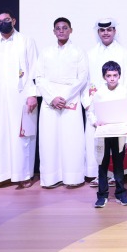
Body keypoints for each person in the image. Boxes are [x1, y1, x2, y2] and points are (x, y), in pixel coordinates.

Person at [0, 10, 40, 189]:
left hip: (21, 97)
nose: (2, 23)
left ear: (13, 20)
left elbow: (34, 68)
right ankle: (1, 175)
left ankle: (23, 176)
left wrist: (32, 94)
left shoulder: (26, 41)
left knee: (22, 136)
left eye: (6, 20)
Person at [34, 17, 89, 189]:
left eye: (65, 28)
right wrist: (52, 98)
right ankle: (51, 178)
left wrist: (64, 97)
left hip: (70, 100)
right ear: (53, 31)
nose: (61, 31)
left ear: (71, 30)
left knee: (72, 140)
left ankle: (72, 177)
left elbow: (82, 78)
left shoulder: (79, 52)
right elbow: (39, 77)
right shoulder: (46, 52)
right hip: (50, 101)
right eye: (58, 28)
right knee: (49, 139)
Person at [84, 18, 127, 186]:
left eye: (109, 29)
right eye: (102, 30)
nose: (105, 32)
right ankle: (99, 174)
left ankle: (117, 175)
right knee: (97, 140)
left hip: (118, 104)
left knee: (118, 141)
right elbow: (85, 81)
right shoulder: (90, 54)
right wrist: (87, 101)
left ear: (114, 31)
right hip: (96, 104)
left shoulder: (124, 53)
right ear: (98, 32)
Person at [87, 61, 127, 207]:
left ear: (119, 76)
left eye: (115, 75)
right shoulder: (99, 93)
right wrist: (95, 123)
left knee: (119, 164)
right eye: (109, 75)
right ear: (104, 77)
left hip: (119, 132)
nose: (112, 78)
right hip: (103, 133)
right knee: (103, 163)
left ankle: (121, 194)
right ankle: (102, 195)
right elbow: (91, 112)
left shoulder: (124, 91)